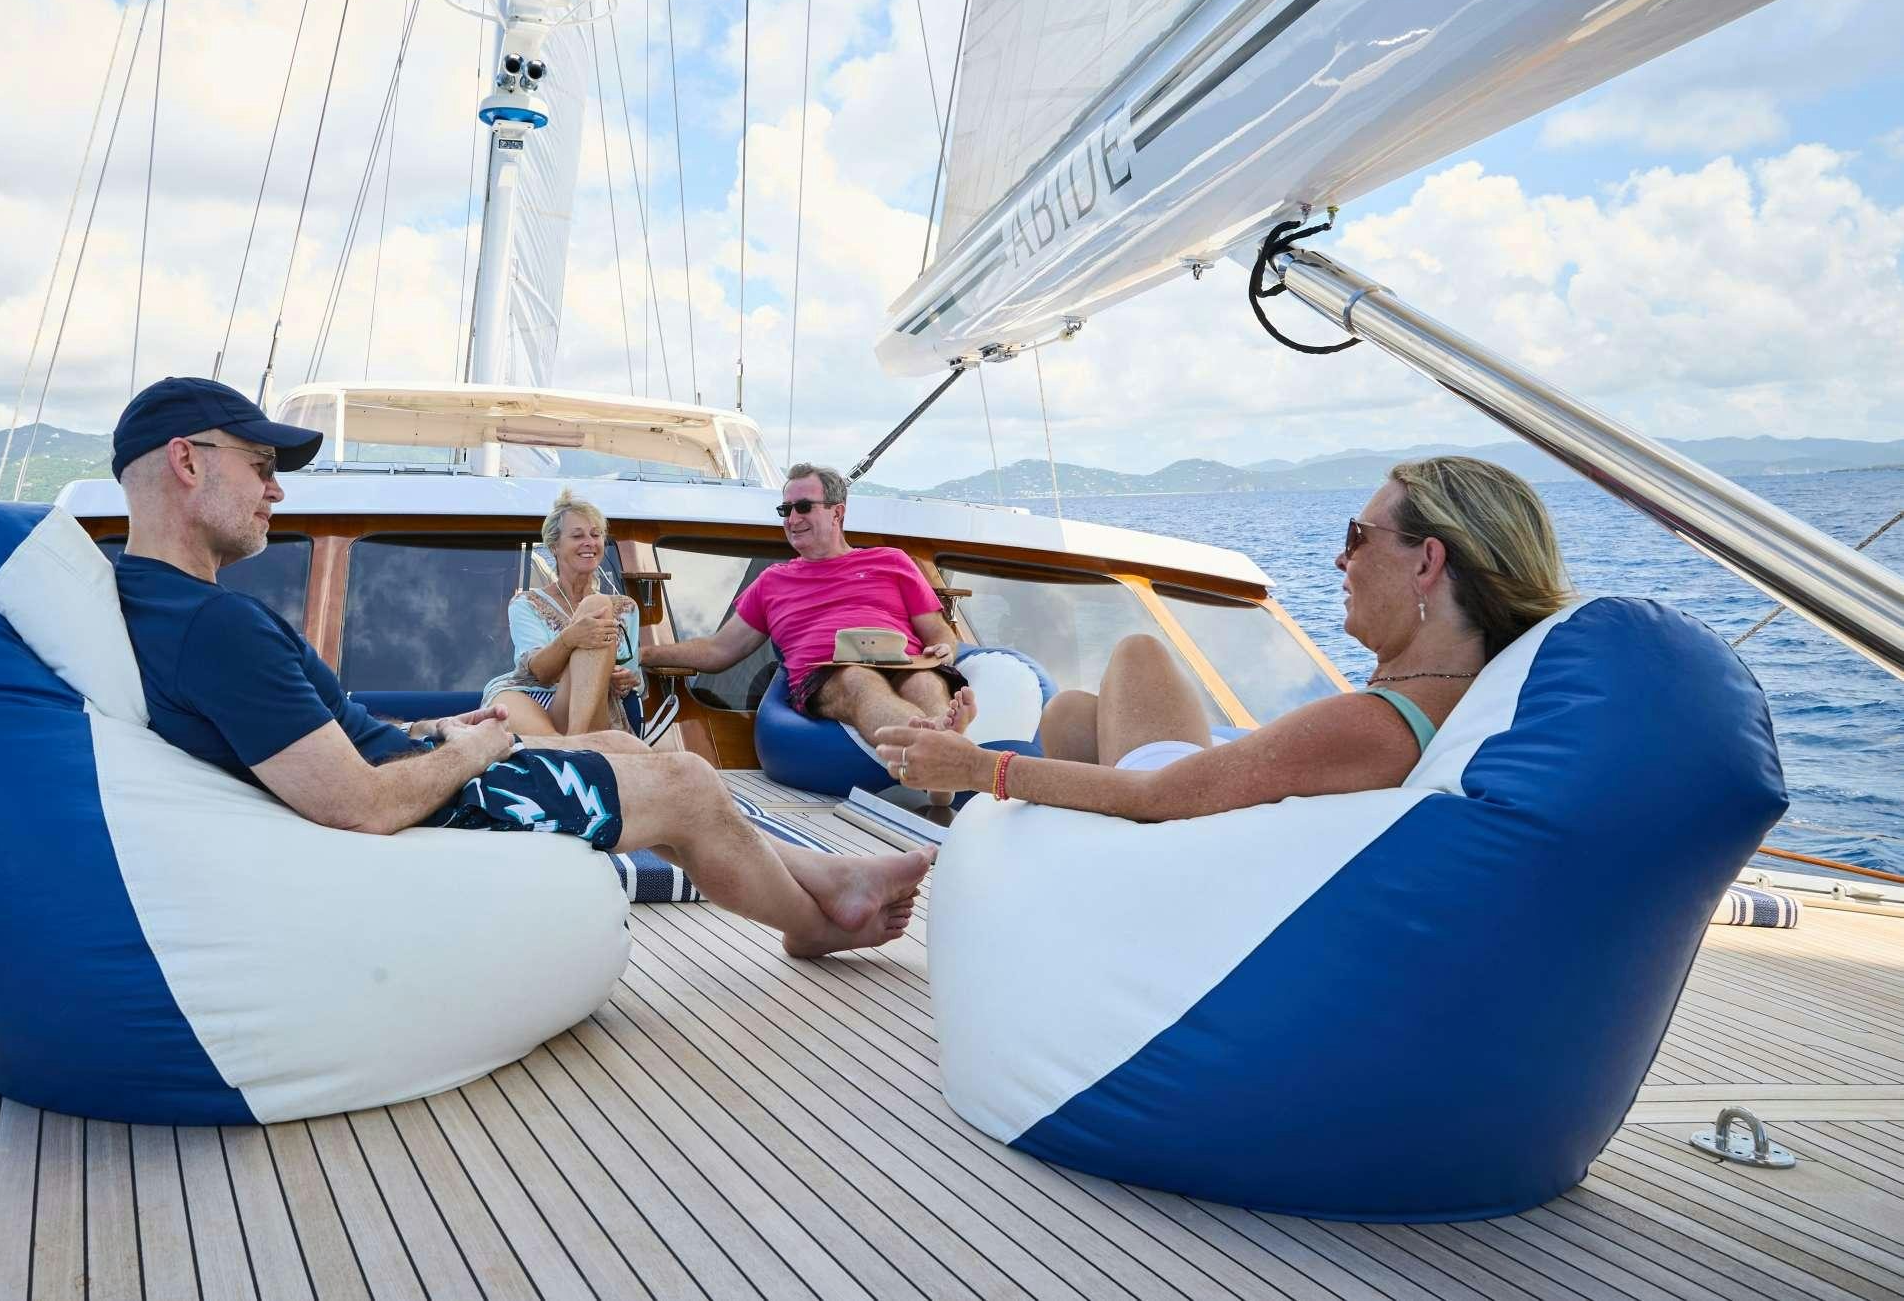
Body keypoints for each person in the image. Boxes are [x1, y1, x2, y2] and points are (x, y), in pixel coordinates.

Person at [110, 377, 930, 958]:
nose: (276, 491)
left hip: (417, 764)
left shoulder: (162, 602)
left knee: (621, 750)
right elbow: (356, 805)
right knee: (683, 783)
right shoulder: (212, 625)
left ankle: (828, 871)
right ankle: (819, 922)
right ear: (188, 462)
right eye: (261, 467)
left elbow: (321, 742)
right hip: (425, 807)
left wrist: (429, 729)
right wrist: (472, 747)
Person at [871, 456, 1572, 819]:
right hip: (1205, 832)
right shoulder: (1475, 698)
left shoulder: (1376, 725)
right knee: (1070, 712)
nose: (1341, 558)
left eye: (1357, 537)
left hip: (1173, 844)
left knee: (1138, 653)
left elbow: (1157, 799)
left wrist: (976, 770)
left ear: (1427, 561)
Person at [637, 462, 965, 774]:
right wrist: (641, 654)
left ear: (838, 512)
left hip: (904, 662)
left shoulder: (892, 561)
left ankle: (941, 755)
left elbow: (938, 630)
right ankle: (944, 753)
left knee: (925, 681)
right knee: (857, 680)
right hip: (829, 673)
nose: (792, 518)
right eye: (786, 510)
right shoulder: (771, 582)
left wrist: (944, 649)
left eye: (804, 507)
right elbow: (717, 651)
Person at [483, 489, 653, 740]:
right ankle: (577, 747)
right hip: (532, 697)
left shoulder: (626, 608)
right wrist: (570, 638)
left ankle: (575, 742)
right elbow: (540, 673)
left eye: (596, 535)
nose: (589, 542)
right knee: (598, 607)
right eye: (577, 535)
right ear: (554, 546)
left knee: (598, 605)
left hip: (594, 709)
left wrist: (625, 680)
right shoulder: (526, 603)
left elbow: (633, 679)